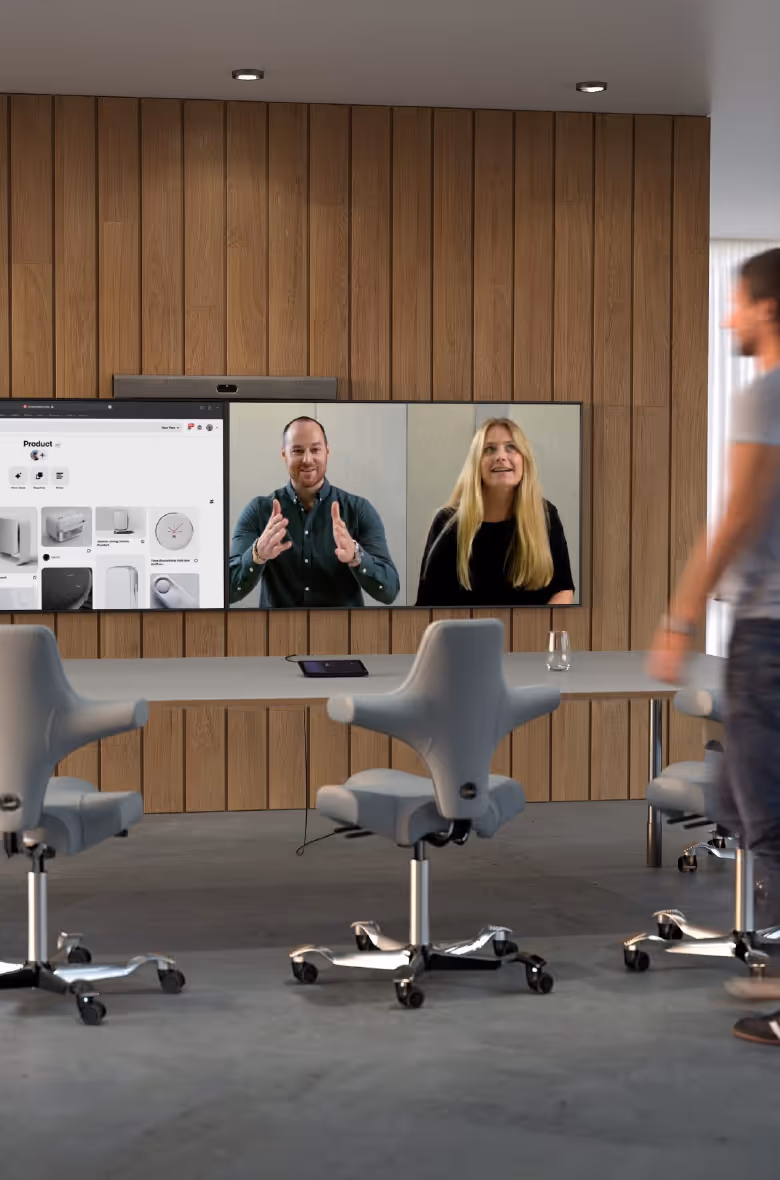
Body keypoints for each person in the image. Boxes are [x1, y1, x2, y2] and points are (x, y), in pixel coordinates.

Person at [648, 248, 780, 1046]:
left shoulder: (766, 392)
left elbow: (736, 515)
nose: (728, 317)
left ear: (766, 308)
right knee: (734, 790)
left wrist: (679, 618)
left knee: (764, 817)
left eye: (735, 302)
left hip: (768, 634)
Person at [229, 416, 400, 609]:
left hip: (343, 627)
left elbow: (390, 592)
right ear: (284, 454)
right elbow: (227, 592)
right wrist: (257, 554)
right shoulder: (259, 511)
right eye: (297, 451)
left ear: (327, 451)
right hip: (278, 628)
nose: (307, 459)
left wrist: (356, 556)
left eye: (315, 450)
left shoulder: (359, 510)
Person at [415, 417, 575, 608]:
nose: (501, 456)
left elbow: (563, 590)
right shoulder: (447, 522)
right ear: (476, 463)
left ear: (525, 460)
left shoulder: (546, 514)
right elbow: (427, 604)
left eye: (511, 447)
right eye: (489, 449)